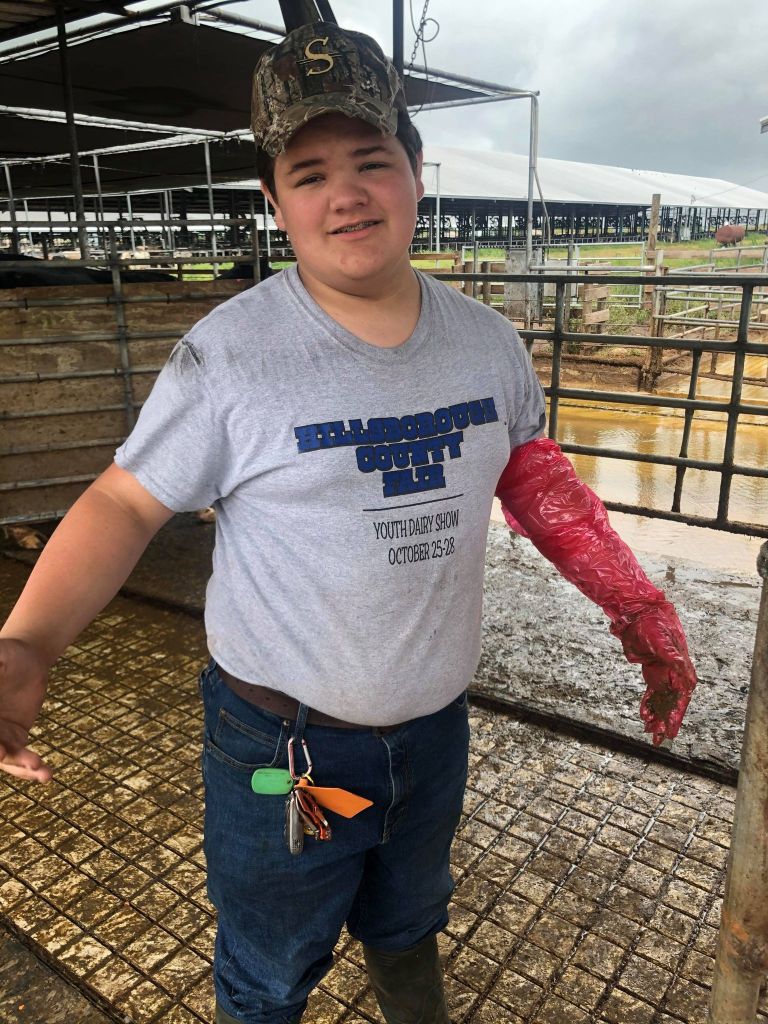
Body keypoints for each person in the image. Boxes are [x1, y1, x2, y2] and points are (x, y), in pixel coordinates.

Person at [0, 20, 697, 1024]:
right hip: (278, 747)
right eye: (310, 173)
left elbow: (534, 477)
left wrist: (636, 602)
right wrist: (28, 640)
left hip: (433, 731)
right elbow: (124, 501)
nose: (347, 193)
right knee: (271, 965)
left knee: (411, 921)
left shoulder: (488, 344)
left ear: (415, 171)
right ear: (273, 200)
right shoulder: (230, 357)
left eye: (372, 160)